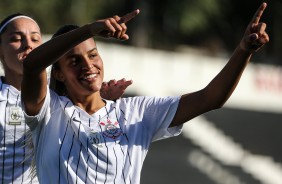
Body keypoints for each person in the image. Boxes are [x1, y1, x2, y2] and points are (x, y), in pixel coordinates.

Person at [21, 2, 269, 184]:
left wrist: (244, 50)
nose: (88, 65)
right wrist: (90, 29)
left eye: (93, 54)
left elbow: (210, 98)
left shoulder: (134, 112)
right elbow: (32, 65)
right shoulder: (47, 112)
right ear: (59, 73)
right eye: (74, 61)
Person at [0, 13, 132, 183]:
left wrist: (102, 103)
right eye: (16, 39)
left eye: (35, 39)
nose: (28, 45)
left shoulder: (64, 92)